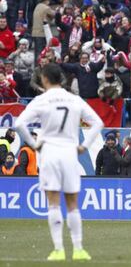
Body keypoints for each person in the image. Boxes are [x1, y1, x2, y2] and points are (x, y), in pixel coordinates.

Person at [15, 63, 103, 261]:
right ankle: (79, 249)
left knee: (53, 203)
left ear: (45, 79)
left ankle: (58, 250)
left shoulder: (41, 100)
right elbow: (98, 122)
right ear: (61, 79)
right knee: (72, 203)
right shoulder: (74, 99)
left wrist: (34, 144)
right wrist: (84, 146)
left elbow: (19, 123)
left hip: (49, 152)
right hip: (70, 152)